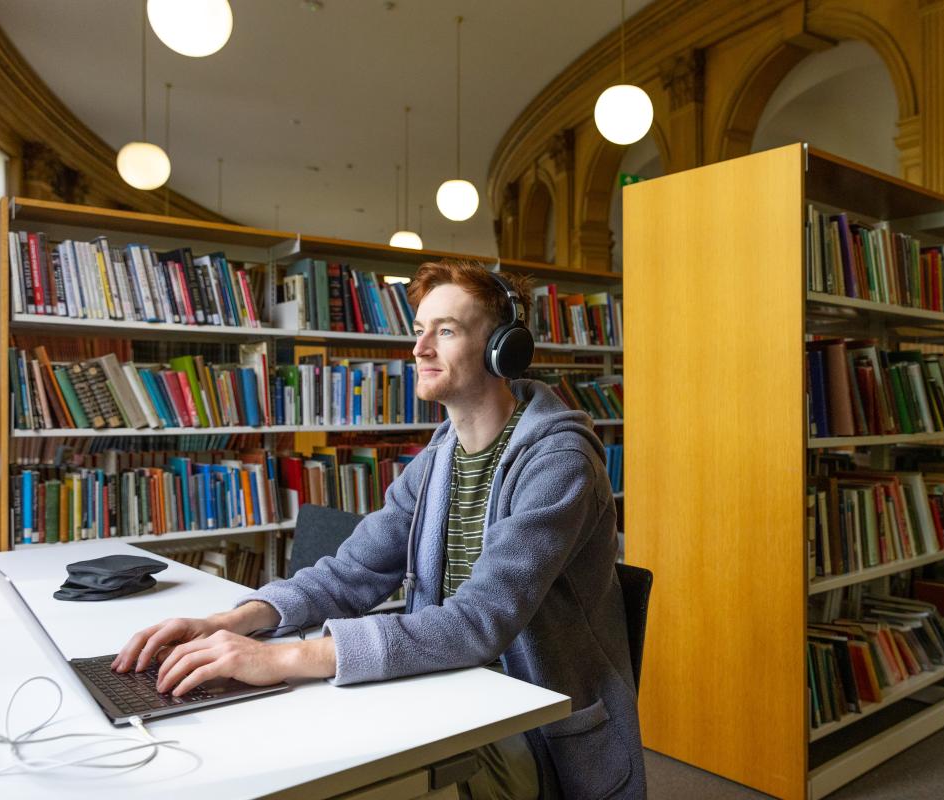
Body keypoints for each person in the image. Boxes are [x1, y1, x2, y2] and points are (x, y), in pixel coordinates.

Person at [112, 259, 645, 800]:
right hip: (449, 693)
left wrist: (286, 658)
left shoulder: (559, 462)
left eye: (446, 330)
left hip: (530, 724)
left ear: (502, 349)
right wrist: (232, 622)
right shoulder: (439, 458)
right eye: (419, 331)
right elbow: (351, 572)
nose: (419, 349)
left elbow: (477, 623)